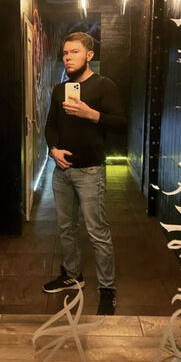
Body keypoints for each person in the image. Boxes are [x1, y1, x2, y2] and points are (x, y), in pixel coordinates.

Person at [43, 31, 126, 315]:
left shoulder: (104, 86)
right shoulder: (59, 90)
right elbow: (50, 125)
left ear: (89, 55)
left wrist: (91, 114)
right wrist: (53, 149)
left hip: (91, 171)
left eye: (75, 52)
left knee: (97, 231)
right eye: (65, 53)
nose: (68, 57)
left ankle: (107, 289)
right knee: (66, 228)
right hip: (61, 172)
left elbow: (120, 123)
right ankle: (72, 275)